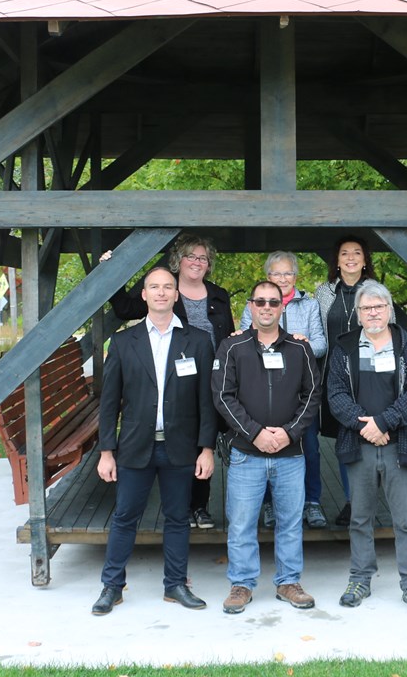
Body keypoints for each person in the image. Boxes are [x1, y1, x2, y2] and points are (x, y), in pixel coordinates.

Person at [91, 268, 218, 616]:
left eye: (168, 287)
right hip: (134, 446)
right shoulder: (122, 342)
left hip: (180, 447)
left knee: (178, 518)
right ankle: (112, 587)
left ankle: (175, 585)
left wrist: (207, 448)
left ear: (177, 295)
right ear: (144, 295)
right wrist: (106, 452)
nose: (161, 293)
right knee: (124, 517)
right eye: (154, 287)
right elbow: (109, 402)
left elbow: (207, 402)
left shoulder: (197, 341)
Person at [106, 233, 233, 529]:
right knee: (181, 441)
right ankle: (182, 507)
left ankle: (200, 505)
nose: (196, 262)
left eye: (202, 258)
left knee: (205, 438)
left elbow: (226, 334)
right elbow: (125, 308)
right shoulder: (165, 289)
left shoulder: (219, 294)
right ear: (179, 260)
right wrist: (111, 271)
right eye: (191, 256)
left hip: (211, 376)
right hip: (175, 379)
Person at [213, 280, 321, 614]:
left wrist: (289, 433)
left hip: (291, 454)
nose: (266, 308)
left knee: (290, 522)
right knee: (242, 522)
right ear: (250, 306)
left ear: (282, 307)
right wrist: (255, 433)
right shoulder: (233, 347)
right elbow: (222, 395)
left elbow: (312, 395)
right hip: (247, 453)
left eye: (273, 302)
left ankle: (288, 582)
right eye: (260, 302)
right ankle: (241, 584)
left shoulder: (299, 348)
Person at [326, 280, 407, 614]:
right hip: (360, 443)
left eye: (378, 307)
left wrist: (384, 423)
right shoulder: (343, 348)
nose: (372, 313)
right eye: (366, 308)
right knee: (360, 518)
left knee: (406, 520)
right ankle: (360, 578)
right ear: (357, 313)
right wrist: (366, 426)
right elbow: (336, 396)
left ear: (388, 309)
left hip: (400, 442)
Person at [239, 251, 329, 529]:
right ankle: (269, 504)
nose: (282, 278)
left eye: (287, 273)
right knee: (266, 446)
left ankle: (311, 502)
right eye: (276, 274)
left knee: (309, 447)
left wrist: (295, 348)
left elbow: (321, 345)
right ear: (268, 277)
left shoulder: (310, 305)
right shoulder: (253, 305)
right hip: (263, 390)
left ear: (295, 276)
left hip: (300, 392)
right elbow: (245, 342)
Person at [313, 235, 378, 526]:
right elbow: (317, 332)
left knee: (368, 440)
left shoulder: (377, 292)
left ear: (365, 261)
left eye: (356, 252)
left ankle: (364, 501)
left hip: (369, 377)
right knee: (344, 441)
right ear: (336, 262)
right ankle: (353, 501)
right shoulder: (324, 292)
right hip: (332, 378)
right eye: (344, 253)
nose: (350, 257)